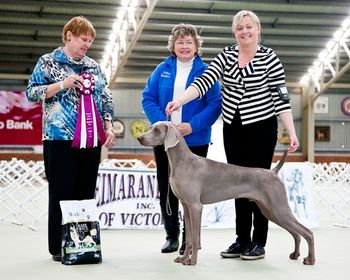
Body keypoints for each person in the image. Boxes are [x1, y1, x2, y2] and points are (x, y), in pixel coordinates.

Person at [166, 10, 299, 261]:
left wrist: (291, 132)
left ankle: (258, 242)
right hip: (233, 127)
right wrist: (179, 100)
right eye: (239, 28)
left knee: (260, 184)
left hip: (262, 127)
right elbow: (203, 82)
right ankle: (242, 239)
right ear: (234, 31)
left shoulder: (270, 58)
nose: (244, 32)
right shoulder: (226, 55)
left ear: (258, 29)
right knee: (237, 183)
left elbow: (282, 99)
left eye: (249, 27)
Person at [26, 16, 115, 262]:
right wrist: (62, 84)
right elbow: (32, 92)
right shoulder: (48, 62)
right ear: (69, 36)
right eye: (83, 39)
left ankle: (82, 244)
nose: (87, 44)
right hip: (58, 138)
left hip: (91, 139)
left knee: (85, 193)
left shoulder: (93, 66)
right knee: (61, 192)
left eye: (90, 41)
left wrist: (108, 126)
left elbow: (105, 97)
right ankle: (58, 247)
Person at [142, 23, 221, 254]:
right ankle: (171, 235)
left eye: (189, 42)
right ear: (173, 46)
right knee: (167, 188)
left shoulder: (208, 72)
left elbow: (215, 104)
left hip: (195, 140)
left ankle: (190, 239)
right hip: (164, 141)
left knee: (192, 191)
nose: (184, 46)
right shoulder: (162, 69)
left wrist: (191, 126)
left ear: (197, 47)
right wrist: (165, 127)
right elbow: (148, 98)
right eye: (180, 42)